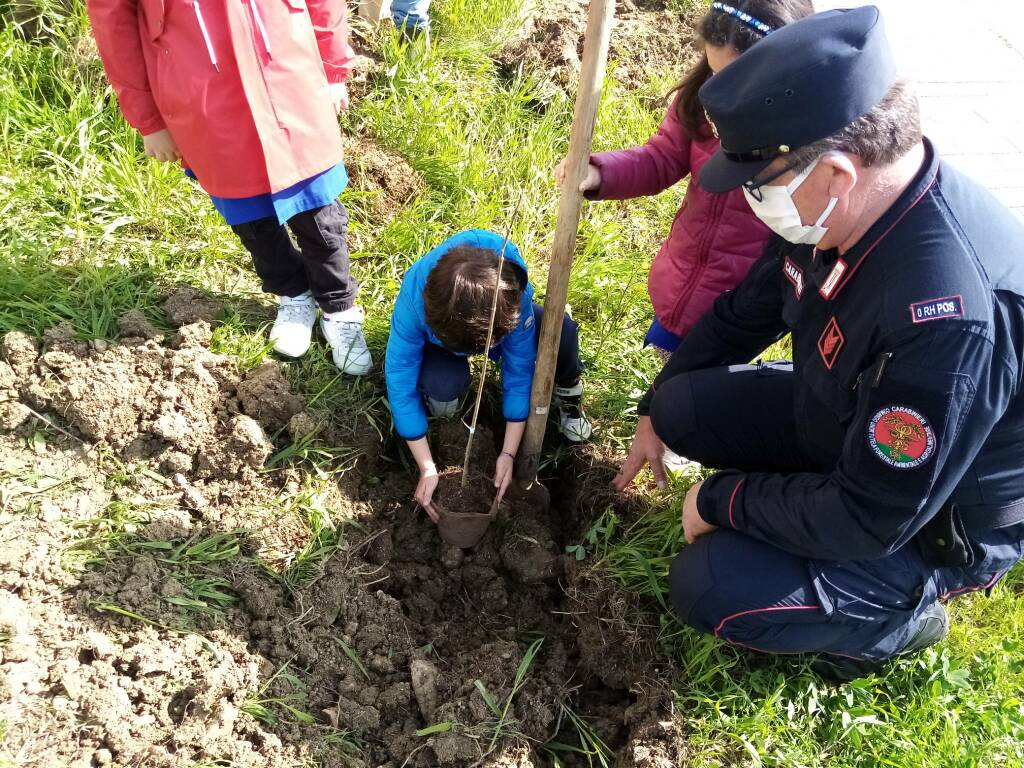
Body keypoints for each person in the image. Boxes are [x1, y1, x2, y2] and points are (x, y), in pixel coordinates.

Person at [614, 6, 1024, 679]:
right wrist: (650, 409)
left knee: (710, 583)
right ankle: (793, 504)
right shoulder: (832, 209)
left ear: (835, 172)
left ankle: (895, 624)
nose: (751, 200)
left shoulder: (943, 318)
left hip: (929, 521)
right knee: (681, 405)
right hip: (839, 419)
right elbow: (742, 314)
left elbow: (869, 514)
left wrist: (719, 501)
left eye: (757, 184)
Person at [88, 0, 372, 375]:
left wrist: (334, 66)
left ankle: (339, 308)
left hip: (286, 71)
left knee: (318, 210)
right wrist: (148, 118)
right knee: (249, 214)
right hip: (200, 91)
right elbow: (113, 23)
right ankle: (293, 294)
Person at [556, 0, 814, 356]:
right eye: (712, 71)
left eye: (733, 78)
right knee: (669, 372)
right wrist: (601, 172)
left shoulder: (801, 136)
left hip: (738, 303)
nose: (717, 92)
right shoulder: (700, 102)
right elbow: (661, 158)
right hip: (682, 280)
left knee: (697, 393)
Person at [385, 229, 590, 516]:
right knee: (441, 383)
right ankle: (444, 407)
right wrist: (427, 466)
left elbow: (518, 373)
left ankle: (568, 392)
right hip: (446, 343)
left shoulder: (510, 296)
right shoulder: (413, 303)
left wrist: (508, 453)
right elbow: (399, 380)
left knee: (561, 334)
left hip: (492, 329)